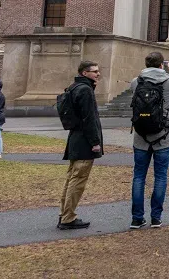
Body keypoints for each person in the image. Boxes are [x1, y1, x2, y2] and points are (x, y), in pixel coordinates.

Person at [129, 52, 169, 229]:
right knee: (160, 176)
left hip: (141, 136)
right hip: (163, 135)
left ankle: (136, 218)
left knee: (139, 176)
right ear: (161, 65)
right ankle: (156, 218)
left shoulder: (136, 81)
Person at [58, 61, 104, 230]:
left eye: (98, 71)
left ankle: (64, 214)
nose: (98, 74)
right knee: (78, 180)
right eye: (94, 72)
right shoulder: (85, 90)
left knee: (72, 178)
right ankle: (68, 218)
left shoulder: (75, 87)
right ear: (84, 73)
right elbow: (88, 118)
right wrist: (95, 143)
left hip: (75, 138)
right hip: (84, 141)